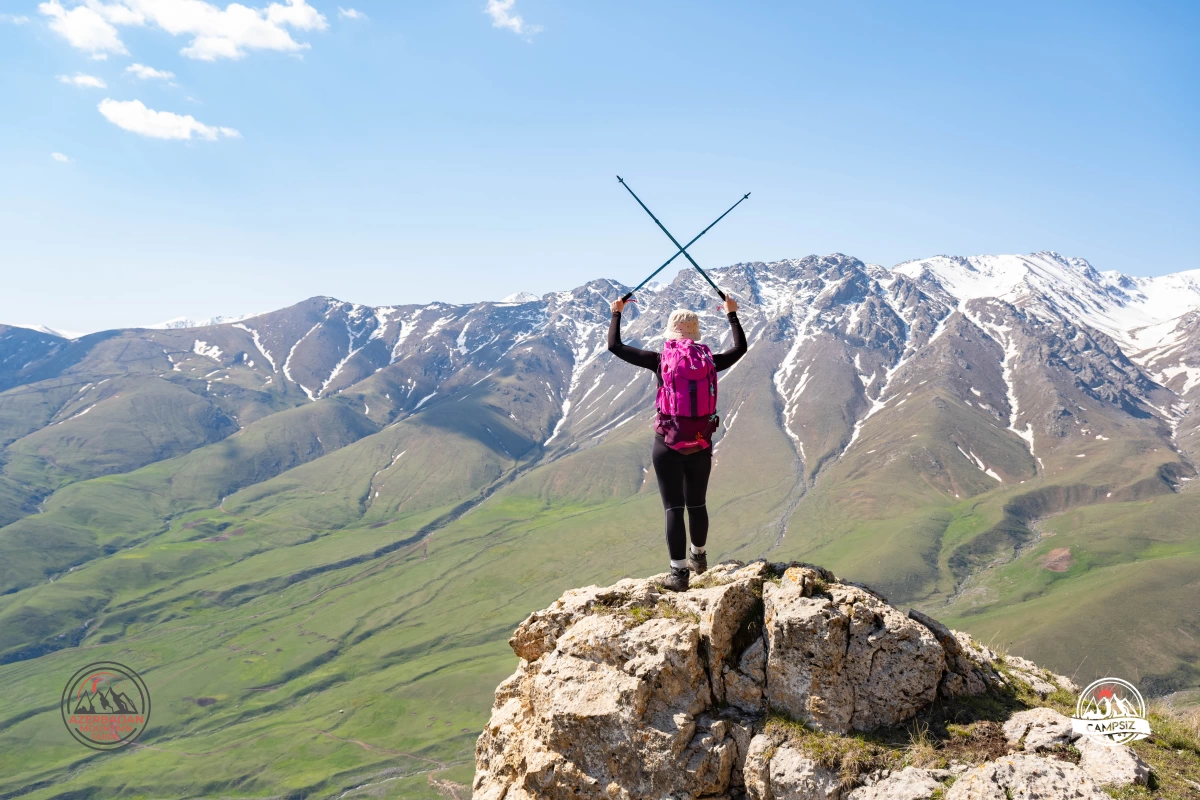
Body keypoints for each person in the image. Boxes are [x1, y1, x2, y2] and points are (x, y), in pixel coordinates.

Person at [608, 295, 747, 591]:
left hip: (668, 443)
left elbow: (615, 347)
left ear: (672, 333)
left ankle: (678, 576)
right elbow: (740, 348)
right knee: (697, 503)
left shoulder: (660, 361)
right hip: (700, 441)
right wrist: (732, 315)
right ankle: (699, 558)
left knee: (674, 508)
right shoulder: (710, 361)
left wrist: (616, 314)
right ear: (696, 334)